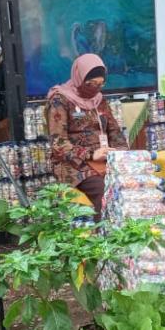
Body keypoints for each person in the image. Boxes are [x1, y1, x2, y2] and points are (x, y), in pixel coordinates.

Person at [47, 54, 128, 216]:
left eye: (100, 84)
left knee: (129, 181)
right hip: (74, 163)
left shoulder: (98, 100)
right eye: (91, 84)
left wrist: (121, 154)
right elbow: (58, 143)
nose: (95, 88)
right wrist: (91, 154)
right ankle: (103, 229)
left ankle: (129, 227)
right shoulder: (60, 99)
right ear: (79, 77)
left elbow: (114, 131)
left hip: (103, 159)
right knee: (103, 188)